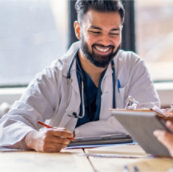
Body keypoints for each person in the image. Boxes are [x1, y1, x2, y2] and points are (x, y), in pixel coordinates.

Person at [0, 0, 159, 152]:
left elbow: (151, 124)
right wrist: (33, 138)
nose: (105, 41)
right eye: (95, 32)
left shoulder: (133, 66)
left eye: (114, 32)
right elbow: (7, 125)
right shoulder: (54, 76)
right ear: (78, 30)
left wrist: (74, 134)